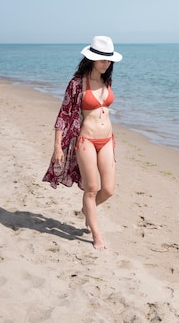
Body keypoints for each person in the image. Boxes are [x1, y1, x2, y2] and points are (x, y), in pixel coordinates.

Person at [42, 36, 123, 250]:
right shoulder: (77, 83)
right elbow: (64, 113)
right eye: (102, 60)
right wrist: (57, 146)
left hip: (107, 140)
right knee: (91, 188)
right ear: (92, 59)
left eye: (109, 60)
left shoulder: (107, 80)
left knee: (108, 189)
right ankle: (97, 235)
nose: (107, 64)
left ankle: (89, 210)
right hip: (86, 140)